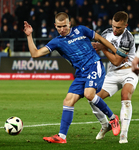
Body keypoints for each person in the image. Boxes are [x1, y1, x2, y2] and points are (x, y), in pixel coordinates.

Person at [24, 12, 120, 143]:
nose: (62, 29)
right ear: (55, 26)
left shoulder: (81, 29)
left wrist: (115, 51)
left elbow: (100, 39)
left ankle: (113, 118)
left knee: (89, 94)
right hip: (81, 73)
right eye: (59, 27)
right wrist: (29, 35)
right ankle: (62, 137)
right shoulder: (56, 42)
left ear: (69, 23)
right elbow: (35, 54)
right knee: (68, 100)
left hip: (94, 65)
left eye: (64, 26)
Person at [89, 11, 138, 144]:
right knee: (92, 98)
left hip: (129, 72)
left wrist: (103, 48)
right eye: (114, 26)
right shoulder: (106, 33)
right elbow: (95, 46)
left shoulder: (128, 38)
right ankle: (106, 125)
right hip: (112, 73)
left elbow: (117, 61)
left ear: (126, 25)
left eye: (119, 27)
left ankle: (123, 134)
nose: (115, 30)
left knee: (125, 95)